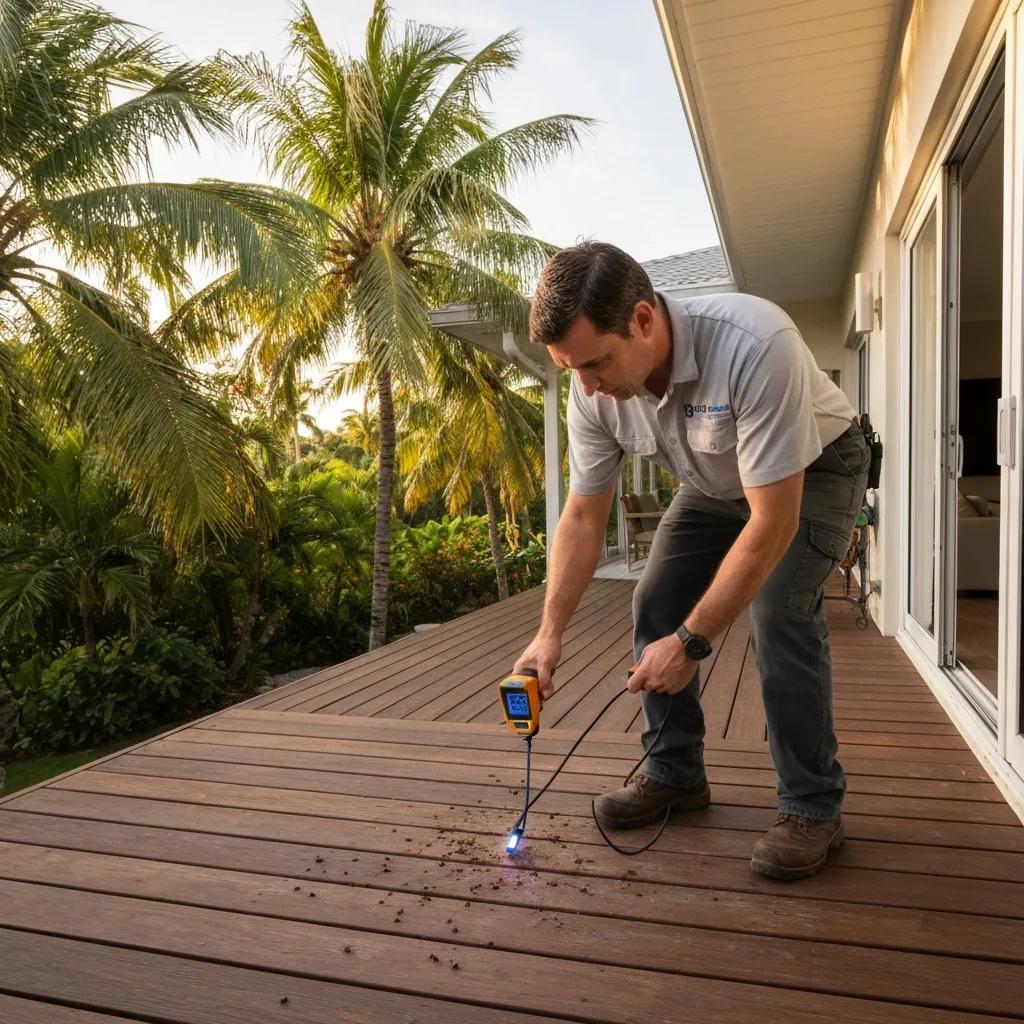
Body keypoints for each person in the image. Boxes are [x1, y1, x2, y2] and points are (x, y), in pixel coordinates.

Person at [513, 242, 869, 880]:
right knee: (653, 600)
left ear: (643, 320)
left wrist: (691, 642)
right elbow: (585, 515)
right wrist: (549, 634)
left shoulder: (754, 343)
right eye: (571, 370)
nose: (588, 387)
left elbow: (773, 520)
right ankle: (675, 773)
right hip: (714, 482)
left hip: (815, 469)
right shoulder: (591, 390)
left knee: (779, 610)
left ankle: (813, 806)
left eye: (596, 363)